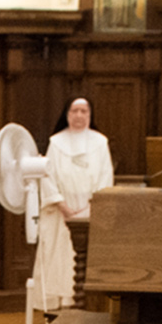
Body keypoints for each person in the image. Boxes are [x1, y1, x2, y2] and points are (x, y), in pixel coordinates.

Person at [34, 98, 115, 312]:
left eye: (84, 111)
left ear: (90, 115)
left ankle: (85, 307)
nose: (79, 115)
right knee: (60, 260)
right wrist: (63, 206)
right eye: (74, 111)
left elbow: (106, 178)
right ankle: (60, 307)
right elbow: (47, 176)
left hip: (90, 212)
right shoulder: (56, 142)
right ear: (67, 115)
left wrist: (88, 208)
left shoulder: (100, 142)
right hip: (63, 213)